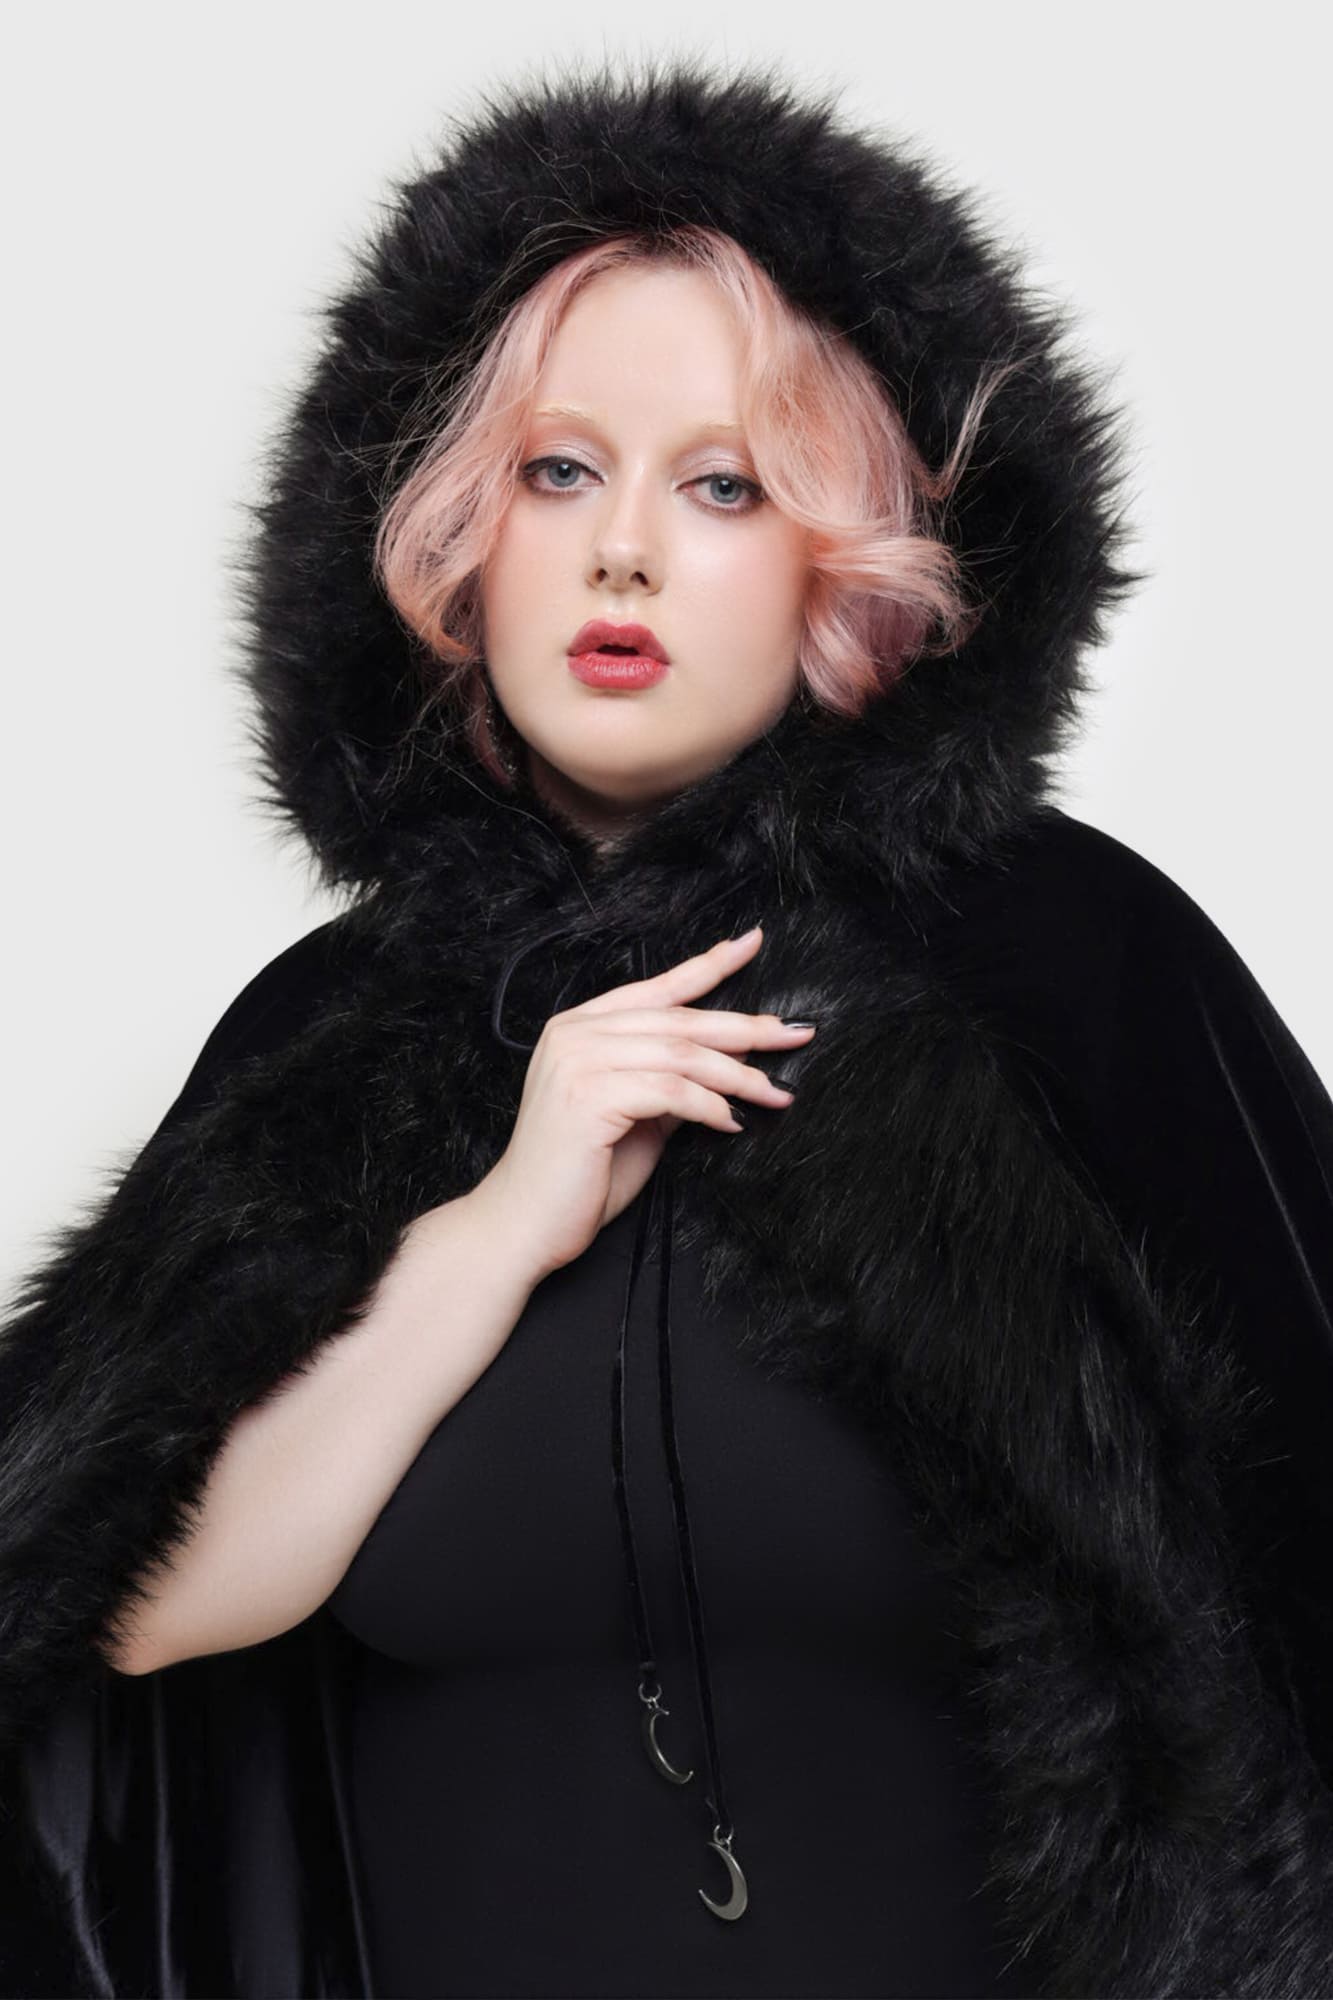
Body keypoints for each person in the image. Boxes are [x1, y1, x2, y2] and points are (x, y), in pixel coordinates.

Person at [3, 51, 1332, 2000]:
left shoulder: (1070, 970)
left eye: (722, 485)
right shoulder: (328, 1046)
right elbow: (108, 1607)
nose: (621, 547)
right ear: (458, 537)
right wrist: (490, 1233)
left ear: (845, 567)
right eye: (559, 470)